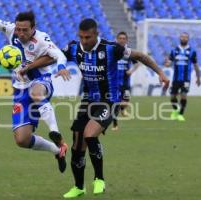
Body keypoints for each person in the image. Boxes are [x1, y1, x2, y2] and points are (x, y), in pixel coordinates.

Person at [62, 18, 169, 198]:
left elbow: (140, 56)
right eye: (81, 37)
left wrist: (160, 72)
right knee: (77, 146)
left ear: (96, 34)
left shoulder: (112, 48)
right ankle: (79, 187)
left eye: (87, 37)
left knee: (89, 134)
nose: (84, 41)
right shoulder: (73, 48)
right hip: (87, 101)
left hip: (109, 101)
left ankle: (99, 179)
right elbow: (53, 55)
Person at [0, 6, 70, 172]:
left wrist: (61, 66)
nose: (20, 33)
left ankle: (55, 131)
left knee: (36, 92)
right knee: (22, 140)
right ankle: (57, 150)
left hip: (41, 81)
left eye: (25, 30)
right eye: (18, 29)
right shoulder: (11, 31)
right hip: (20, 89)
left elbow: (59, 54)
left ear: (33, 28)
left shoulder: (42, 39)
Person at [164, 32, 201, 121]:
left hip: (186, 79)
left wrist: (198, 78)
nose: (184, 38)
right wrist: (167, 63)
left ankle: (180, 114)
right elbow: (168, 64)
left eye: (185, 37)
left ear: (188, 39)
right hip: (176, 78)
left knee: (184, 95)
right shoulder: (174, 50)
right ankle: (175, 110)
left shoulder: (192, 51)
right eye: (182, 37)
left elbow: (196, 65)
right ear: (179, 38)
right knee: (173, 96)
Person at [111, 31, 140, 131]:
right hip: (114, 83)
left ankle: (122, 110)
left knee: (125, 102)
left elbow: (137, 63)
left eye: (124, 38)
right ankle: (115, 125)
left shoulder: (129, 52)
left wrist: (131, 71)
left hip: (125, 82)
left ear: (126, 40)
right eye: (120, 38)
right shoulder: (112, 51)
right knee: (115, 103)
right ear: (117, 39)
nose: (122, 40)